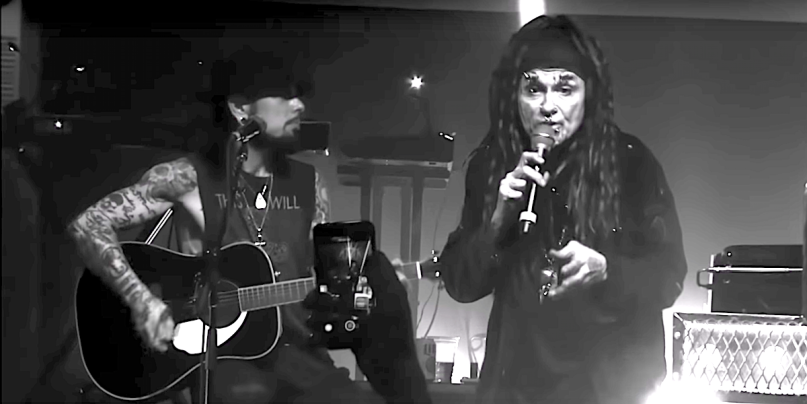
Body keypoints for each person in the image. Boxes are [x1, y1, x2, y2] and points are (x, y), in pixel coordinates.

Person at [66, 47, 431, 404]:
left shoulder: (310, 183)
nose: (299, 105)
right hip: (219, 359)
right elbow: (89, 225)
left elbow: (319, 280)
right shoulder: (187, 176)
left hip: (296, 355)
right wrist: (141, 300)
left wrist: (362, 285)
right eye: (284, 95)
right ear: (240, 109)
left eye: (299, 96)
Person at [439, 15, 687, 404]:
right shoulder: (492, 166)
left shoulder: (629, 162)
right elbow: (459, 283)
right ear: (513, 96)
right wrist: (497, 222)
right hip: (516, 389)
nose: (547, 107)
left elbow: (669, 276)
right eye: (533, 89)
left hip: (610, 388)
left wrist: (607, 270)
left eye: (565, 89)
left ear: (589, 95)